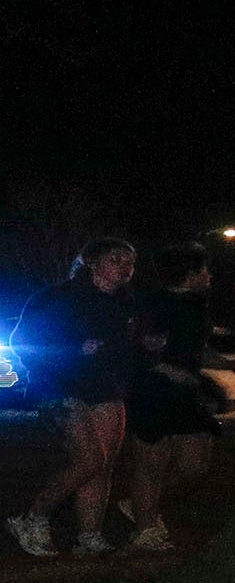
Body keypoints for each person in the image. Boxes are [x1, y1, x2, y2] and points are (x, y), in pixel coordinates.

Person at [9, 238, 139, 558]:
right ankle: (32, 518)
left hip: (104, 386)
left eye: (130, 262)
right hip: (57, 385)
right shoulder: (57, 297)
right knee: (89, 459)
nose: (125, 267)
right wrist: (73, 351)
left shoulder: (125, 303)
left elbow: (128, 347)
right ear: (93, 263)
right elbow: (23, 339)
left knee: (104, 465)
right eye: (116, 260)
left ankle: (89, 536)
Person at [118, 245, 222, 552]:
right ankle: (146, 530)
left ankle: (139, 505)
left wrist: (227, 364)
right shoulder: (151, 304)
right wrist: (167, 370)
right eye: (204, 269)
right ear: (190, 274)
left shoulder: (196, 305)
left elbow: (194, 348)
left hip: (187, 395)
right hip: (151, 392)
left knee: (195, 465)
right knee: (151, 463)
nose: (209, 275)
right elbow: (137, 349)